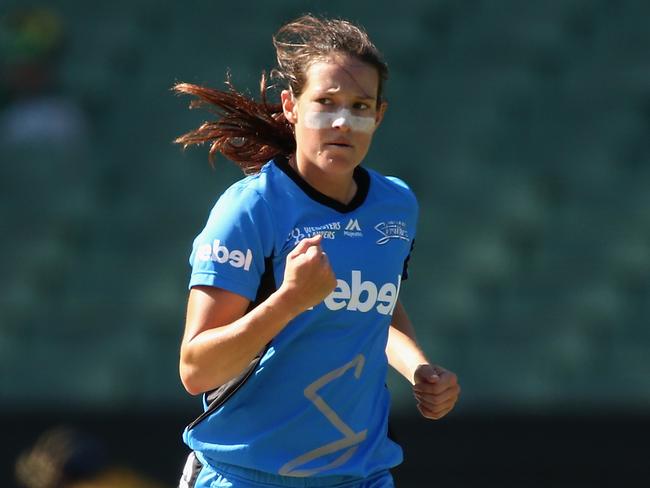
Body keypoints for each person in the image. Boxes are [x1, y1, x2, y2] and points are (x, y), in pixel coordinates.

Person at [174, 14, 460, 488]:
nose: (344, 122)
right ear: (291, 106)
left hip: (360, 476)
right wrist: (289, 300)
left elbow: (375, 305)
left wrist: (419, 368)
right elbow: (197, 370)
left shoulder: (396, 204)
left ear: (379, 115)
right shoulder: (251, 209)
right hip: (246, 476)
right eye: (326, 103)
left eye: (360, 105)